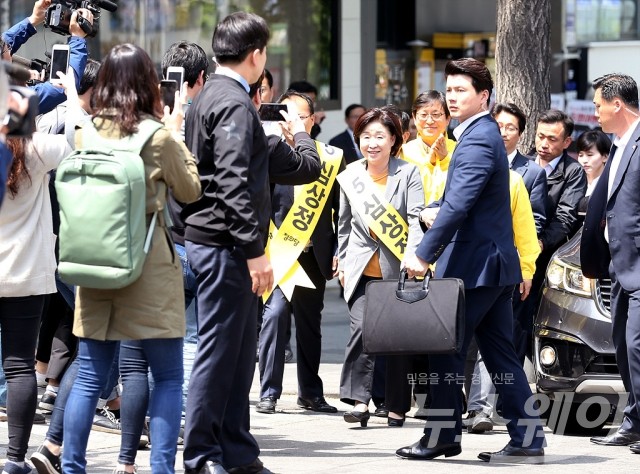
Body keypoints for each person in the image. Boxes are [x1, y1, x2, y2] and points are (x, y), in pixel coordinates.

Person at [181, 13, 320, 474]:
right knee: (220, 353)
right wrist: (254, 251)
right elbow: (232, 182)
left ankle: (237, 450)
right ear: (257, 55)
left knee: (239, 354)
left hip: (222, 242)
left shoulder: (210, 97)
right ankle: (202, 454)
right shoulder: (234, 103)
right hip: (226, 245)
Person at [61, 43, 201, 474]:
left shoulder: (87, 132)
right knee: (168, 376)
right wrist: (175, 130)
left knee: (88, 376)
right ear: (148, 84)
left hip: (96, 265)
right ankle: (160, 468)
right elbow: (191, 190)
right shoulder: (156, 136)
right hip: (149, 267)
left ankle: (72, 466)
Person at [397, 58, 545, 463]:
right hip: (490, 267)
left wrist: (423, 255)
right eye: (449, 90)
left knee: (444, 347)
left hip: (477, 268)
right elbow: (465, 198)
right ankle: (529, 437)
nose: (452, 97)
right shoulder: (478, 135)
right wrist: (438, 207)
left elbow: (461, 203)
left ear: (484, 96)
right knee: (500, 354)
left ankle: (442, 435)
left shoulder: (479, 137)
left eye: (461, 90)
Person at [0, 69, 77, 474]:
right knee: (19, 366)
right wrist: (71, 95)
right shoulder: (38, 147)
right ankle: (15, 460)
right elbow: (80, 142)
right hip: (26, 273)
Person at [256, 90, 341, 416]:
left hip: (312, 254)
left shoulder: (330, 157)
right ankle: (269, 392)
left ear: (313, 119)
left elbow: (339, 210)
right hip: (278, 253)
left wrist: (337, 249)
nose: (292, 123)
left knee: (310, 325)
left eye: (300, 116)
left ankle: (310, 393)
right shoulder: (270, 152)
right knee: (275, 317)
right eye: (286, 115)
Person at [337, 107, 424, 427]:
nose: (372, 143)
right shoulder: (350, 176)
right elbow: (344, 225)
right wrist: (343, 260)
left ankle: (396, 404)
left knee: (397, 339)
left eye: (379, 137)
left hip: (397, 267)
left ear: (394, 141)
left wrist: (414, 255)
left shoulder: (408, 173)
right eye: (366, 137)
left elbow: (416, 219)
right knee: (361, 331)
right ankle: (359, 401)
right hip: (361, 269)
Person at [582, 73, 640, 451]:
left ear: (617, 104)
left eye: (598, 105)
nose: (595, 112)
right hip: (618, 266)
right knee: (622, 343)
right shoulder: (618, 144)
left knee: (636, 345)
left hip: (637, 263)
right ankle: (634, 421)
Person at [515, 110, 587, 363]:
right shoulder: (523, 166)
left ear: (567, 142)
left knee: (535, 316)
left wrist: (539, 242)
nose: (544, 144)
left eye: (552, 139)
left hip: (546, 256)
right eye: (540, 136)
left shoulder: (573, 172)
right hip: (517, 255)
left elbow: (565, 217)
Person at [161, 40, 210, 412]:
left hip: (165, 242)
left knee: (161, 337)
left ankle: (156, 413)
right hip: (204, 241)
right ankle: (182, 416)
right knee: (193, 337)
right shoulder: (211, 115)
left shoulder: (153, 116)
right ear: (202, 77)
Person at [1, 0, 91, 115]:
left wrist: (33, 19)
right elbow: (62, 87)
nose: (9, 48)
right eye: (6, 48)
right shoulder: (9, 99)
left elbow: (3, 45)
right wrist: (77, 39)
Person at [400, 90, 455, 205]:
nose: (429, 121)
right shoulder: (403, 152)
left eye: (436, 115)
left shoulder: (460, 149)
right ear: (414, 118)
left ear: (448, 119)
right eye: (423, 115)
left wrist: (446, 160)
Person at [576, 129, 610, 197]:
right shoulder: (575, 181)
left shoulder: (611, 183)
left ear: (605, 157)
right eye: (581, 155)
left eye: (590, 155)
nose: (584, 160)